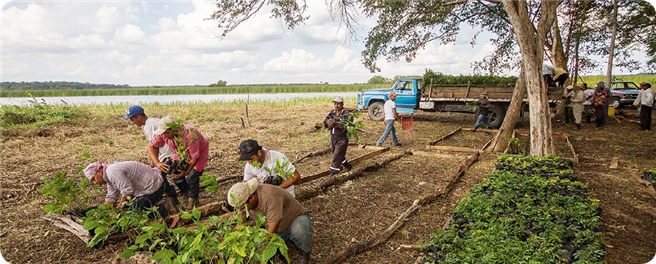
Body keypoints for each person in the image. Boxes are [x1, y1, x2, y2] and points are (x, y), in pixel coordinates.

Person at [227, 178, 313, 264]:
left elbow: (272, 230)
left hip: (293, 219)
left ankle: (304, 253)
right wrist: (233, 244)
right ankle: (284, 241)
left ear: (251, 198)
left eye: (242, 207)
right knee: (258, 245)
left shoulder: (270, 196)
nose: (241, 210)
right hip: (274, 226)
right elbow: (241, 225)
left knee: (300, 231)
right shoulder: (243, 202)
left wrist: (261, 255)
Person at [148, 116, 209, 210]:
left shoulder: (190, 134)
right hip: (180, 152)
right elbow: (151, 147)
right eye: (164, 132)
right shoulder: (163, 133)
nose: (165, 135)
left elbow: (194, 158)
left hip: (199, 151)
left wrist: (186, 172)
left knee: (193, 176)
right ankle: (185, 192)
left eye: (167, 132)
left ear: (174, 129)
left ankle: (193, 199)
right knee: (174, 172)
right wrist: (157, 162)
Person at [122, 105, 178, 206]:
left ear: (139, 117)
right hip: (167, 152)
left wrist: (155, 161)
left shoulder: (150, 126)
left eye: (132, 119)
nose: (132, 123)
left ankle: (168, 194)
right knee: (161, 175)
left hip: (167, 154)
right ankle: (169, 192)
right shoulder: (153, 121)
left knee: (159, 175)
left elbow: (155, 145)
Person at [83, 161, 177, 218]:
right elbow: (111, 197)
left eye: (94, 179)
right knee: (126, 210)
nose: (95, 182)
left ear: (99, 171)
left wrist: (118, 210)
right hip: (150, 186)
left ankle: (165, 206)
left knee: (132, 212)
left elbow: (127, 191)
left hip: (154, 186)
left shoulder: (112, 172)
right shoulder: (108, 175)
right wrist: (102, 213)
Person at [323, 96, 353, 175]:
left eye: (338, 104)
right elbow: (325, 120)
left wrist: (339, 126)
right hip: (333, 138)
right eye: (335, 104)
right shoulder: (332, 112)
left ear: (342, 104)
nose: (336, 106)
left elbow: (351, 125)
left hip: (342, 139)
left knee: (336, 157)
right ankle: (348, 166)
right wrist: (328, 122)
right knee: (338, 155)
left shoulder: (346, 114)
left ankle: (333, 173)